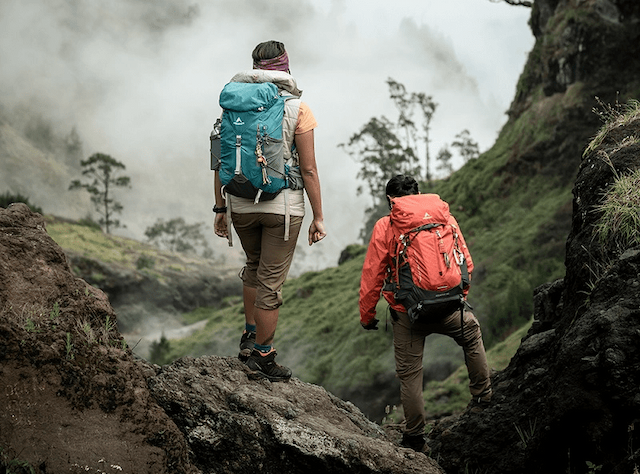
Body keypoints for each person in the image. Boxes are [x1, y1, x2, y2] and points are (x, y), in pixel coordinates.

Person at [213, 40, 326, 382]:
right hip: (283, 208)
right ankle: (263, 356)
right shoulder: (298, 108)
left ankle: (249, 337)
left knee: (253, 266)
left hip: (240, 204)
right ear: (285, 68)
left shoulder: (232, 104)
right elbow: (308, 169)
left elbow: (219, 162)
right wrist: (319, 216)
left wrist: (220, 208)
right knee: (271, 283)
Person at [359, 175, 492, 452]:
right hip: (450, 306)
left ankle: (415, 437)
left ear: (390, 200)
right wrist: (456, 297)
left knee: (410, 375)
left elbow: (373, 274)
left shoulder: (386, 225)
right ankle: (484, 398)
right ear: (418, 193)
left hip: (407, 313)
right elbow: (466, 261)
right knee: (472, 334)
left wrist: (367, 316)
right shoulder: (445, 218)